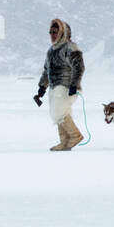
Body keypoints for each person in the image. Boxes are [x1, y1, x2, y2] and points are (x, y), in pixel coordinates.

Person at [34, 18, 86, 151]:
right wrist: (42, 88)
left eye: (55, 32)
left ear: (63, 32)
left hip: (67, 86)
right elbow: (46, 71)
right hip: (54, 86)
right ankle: (64, 142)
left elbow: (79, 67)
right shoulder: (51, 51)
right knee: (59, 113)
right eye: (50, 32)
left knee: (57, 112)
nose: (52, 35)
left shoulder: (70, 48)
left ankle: (75, 135)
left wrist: (74, 84)